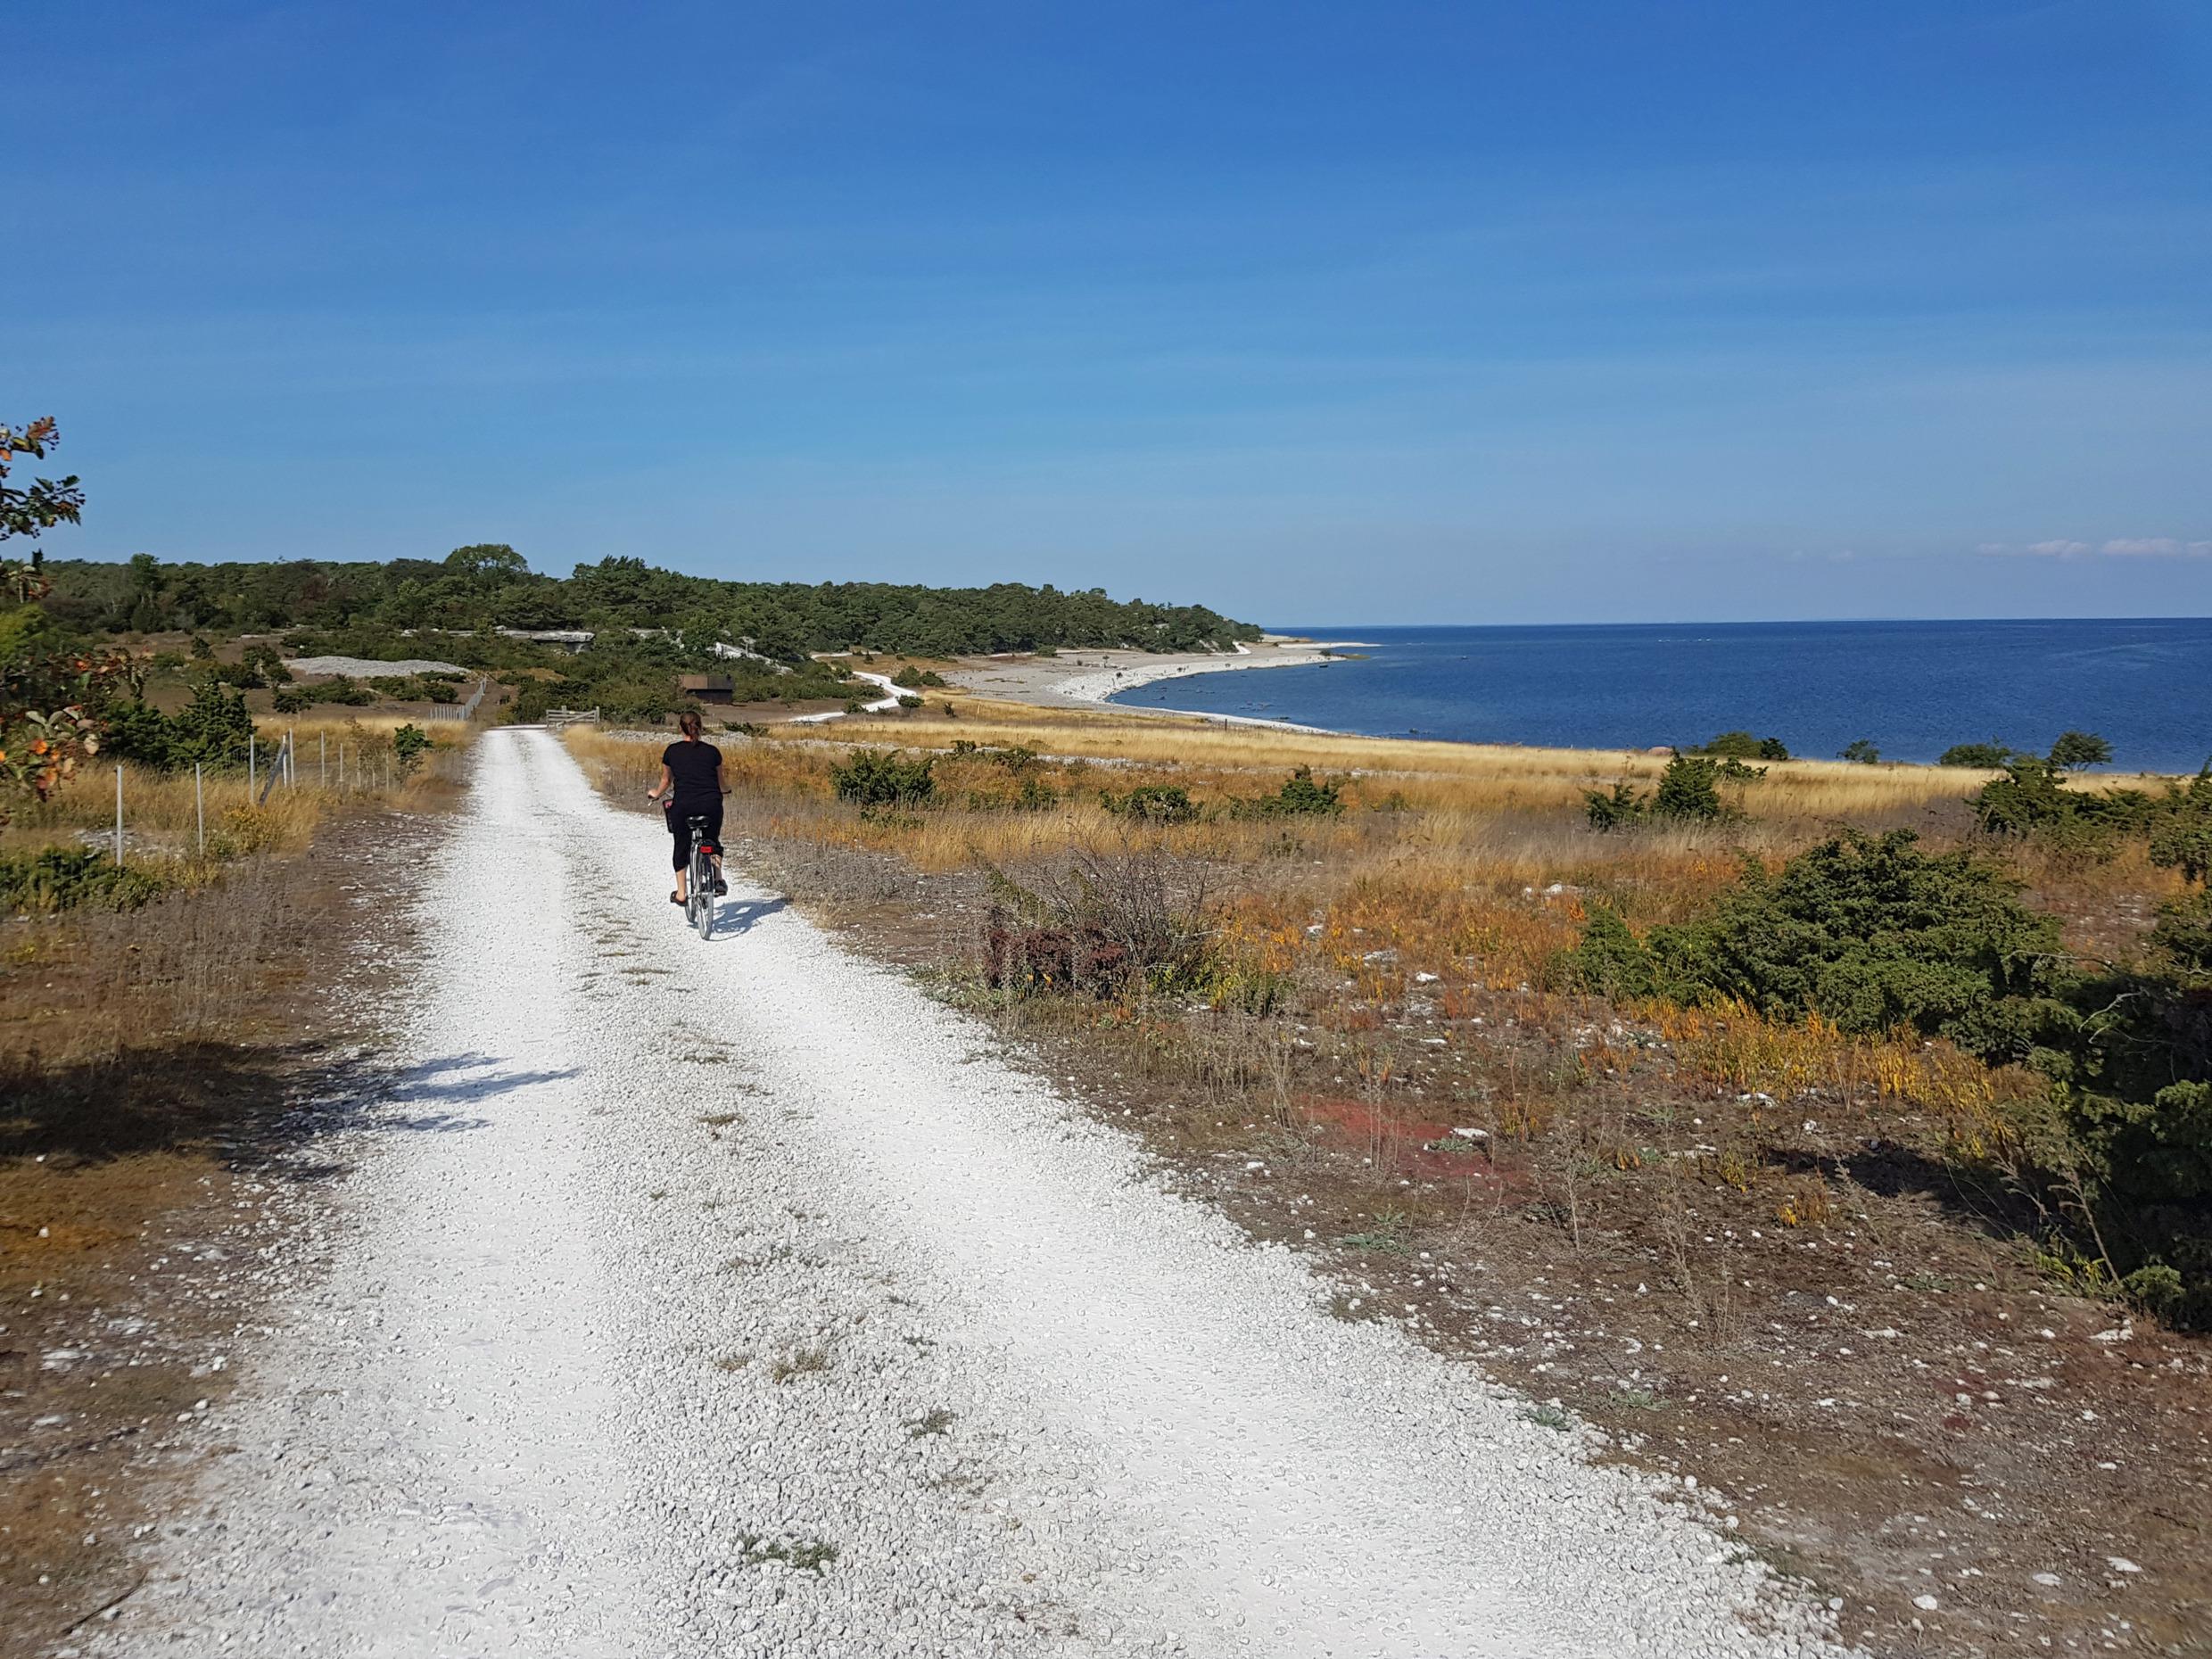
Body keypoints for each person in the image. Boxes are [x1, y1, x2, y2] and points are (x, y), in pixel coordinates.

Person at [644, 711, 729, 905]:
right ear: (700, 726)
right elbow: (720, 783)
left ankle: (682, 893)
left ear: (680, 728)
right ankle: (717, 879)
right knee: (712, 840)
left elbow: (666, 781)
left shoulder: (672, 751)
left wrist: (656, 793)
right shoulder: (712, 751)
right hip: (711, 804)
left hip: (684, 805)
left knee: (681, 844)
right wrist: (727, 790)